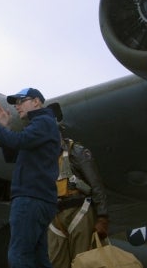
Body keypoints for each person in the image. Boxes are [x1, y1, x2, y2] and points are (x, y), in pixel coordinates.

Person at [0, 88, 60, 268]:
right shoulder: (42, 125)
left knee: (18, 255)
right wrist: (5, 128)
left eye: (21, 101)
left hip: (30, 198)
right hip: (40, 199)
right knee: (39, 259)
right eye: (15, 103)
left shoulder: (43, 122)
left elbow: (17, 141)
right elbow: (12, 156)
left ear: (36, 101)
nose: (17, 106)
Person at [47, 104, 109, 268]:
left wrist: (102, 217)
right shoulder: (41, 158)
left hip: (79, 211)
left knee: (84, 262)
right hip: (54, 216)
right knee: (54, 263)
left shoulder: (77, 152)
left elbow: (96, 185)